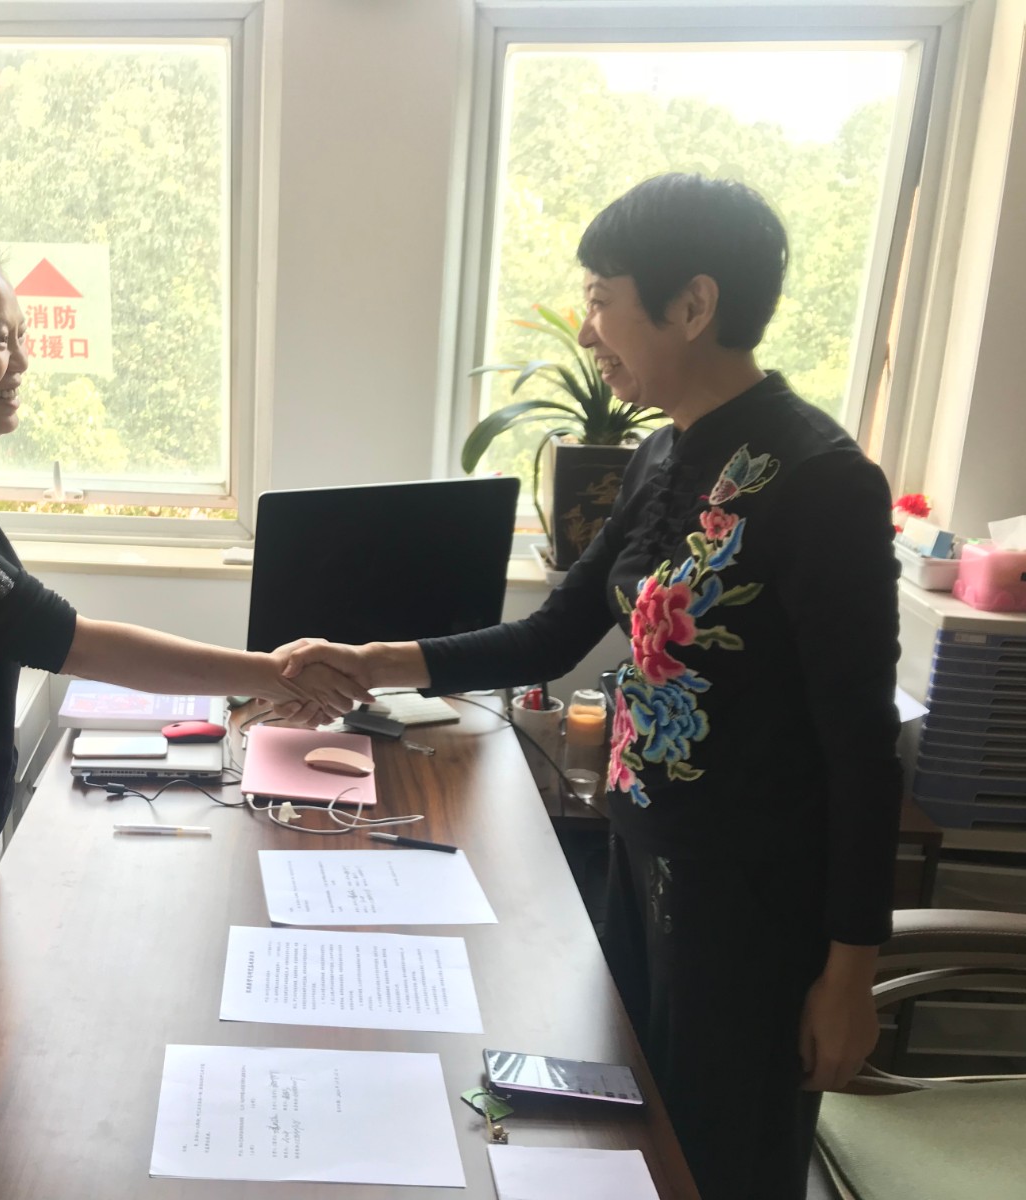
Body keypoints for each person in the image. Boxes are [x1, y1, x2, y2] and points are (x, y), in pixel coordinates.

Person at [275, 174, 901, 1200]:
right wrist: (373, 660)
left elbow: (861, 748)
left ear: (692, 305)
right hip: (642, 866)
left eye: (603, 299)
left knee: (728, 1167)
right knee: (635, 1141)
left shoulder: (822, 480)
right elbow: (551, 634)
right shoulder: (661, 452)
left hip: (753, 912)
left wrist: (851, 973)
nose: (589, 329)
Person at [0, 229, 368, 1163]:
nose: (22, 361)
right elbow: (71, 641)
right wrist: (270, 672)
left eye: (22, 335)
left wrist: (254, 688)